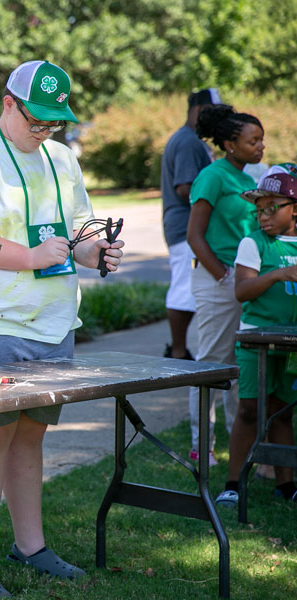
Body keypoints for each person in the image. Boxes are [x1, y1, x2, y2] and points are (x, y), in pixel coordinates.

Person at [0, 60, 124, 597]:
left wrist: (93, 250)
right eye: (36, 121)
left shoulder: (62, 158)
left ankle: (30, 546)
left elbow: (78, 226)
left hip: (53, 323)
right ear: (9, 104)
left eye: (53, 123)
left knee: (32, 436)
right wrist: (32, 256)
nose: (44, 132)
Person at [186, 104, 264, 465]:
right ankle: (202, 446)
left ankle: (240, 446)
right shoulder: (213, 176)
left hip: (245, 279)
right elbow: (194, 235)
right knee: (211, 365)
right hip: (219, 280)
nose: (261, 147)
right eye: (254, 141)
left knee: (239, 366)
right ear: (230, 144)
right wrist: (222, 275)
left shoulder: (249, 180)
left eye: (261, 140)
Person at [215, 165, 297, 508]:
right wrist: (279, 274)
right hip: (254, 340)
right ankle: (233, 482)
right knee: (249, 408)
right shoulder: (254, 242)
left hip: (291, 343)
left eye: (272, 208)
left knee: (281, 410)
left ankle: (286, 483)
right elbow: (243, 290)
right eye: (259, 209)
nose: (263, 216)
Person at [160, 88, 222, 360]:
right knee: (183, 288)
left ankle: (181, 349)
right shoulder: (188, 141)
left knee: (187, 286)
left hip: (188, 226)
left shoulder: (194, 140)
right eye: (213, 113)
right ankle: (177, 351)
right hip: (186, 227)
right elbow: (185, 187)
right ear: (199, 111)